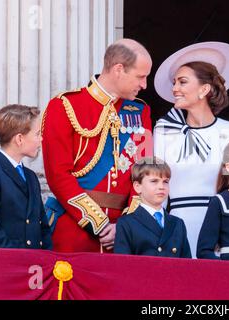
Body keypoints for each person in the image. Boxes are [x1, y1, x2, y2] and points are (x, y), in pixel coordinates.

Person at [42, 38, 153, 252]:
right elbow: (57, 175)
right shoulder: (64, 106)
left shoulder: (140, 112)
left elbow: (144, 172)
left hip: (124, 234)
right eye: (141, 77)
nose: (144, 85)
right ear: (118, 69)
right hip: (73, 230)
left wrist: (125, 226)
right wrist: (99, 224)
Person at [153, 42, 229, 257]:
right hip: (176, 228)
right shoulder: (164, 131)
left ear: (204, 89)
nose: (175, 88)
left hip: (219, 227)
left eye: (182, 82)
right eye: (175, 82)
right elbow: (156, 187)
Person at [0, 104, 52, 250]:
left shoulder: (31, 177)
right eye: (37, 134)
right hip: (5, 266)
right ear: (19, 139)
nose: (41, 139)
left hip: (35, 266)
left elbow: (43, 226)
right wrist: (20, 257)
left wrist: (45, 257)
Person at [114, 157, 191, 258]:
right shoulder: (126, 224)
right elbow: (122, 266)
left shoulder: (177, 224)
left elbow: (187, 266)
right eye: (154, 181)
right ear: (138, 187)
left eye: (165, 182)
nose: (161, 187)